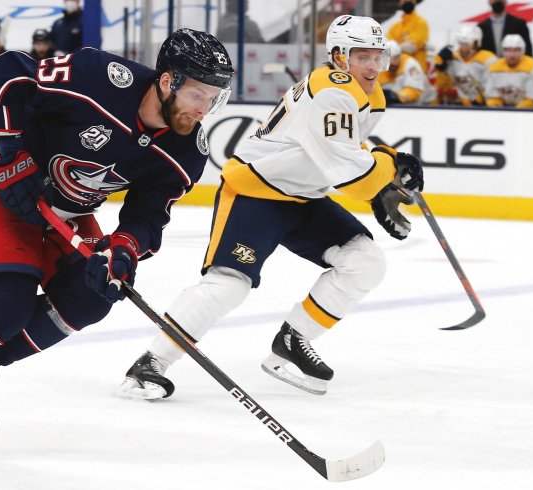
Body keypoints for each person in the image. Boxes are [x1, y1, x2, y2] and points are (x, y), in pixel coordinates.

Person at [0, 28, 233, 463]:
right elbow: (3, 76)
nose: (204, 108)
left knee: (93, 297)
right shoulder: (99, 76)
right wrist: (10, 156)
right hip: (2, 182)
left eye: (214, 99)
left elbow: (148, 216)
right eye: (198, 94)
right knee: (8, 301)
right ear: (168, 81)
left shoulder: (187, 151)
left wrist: (123, 250)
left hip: (68, 211)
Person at [117, 15, 424, 401]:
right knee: (228, 286)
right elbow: (352, 175)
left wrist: (384, 176)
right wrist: (389, 167)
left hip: (302, 196)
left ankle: (293, 342)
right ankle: (150, 363)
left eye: (379, 56)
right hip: (256, 191)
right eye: (362, 55)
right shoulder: (333, 91)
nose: (374, 66)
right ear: (338, 56)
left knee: (365, 261)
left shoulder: (365, 93)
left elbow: (341, 153)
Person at [433, 25, 496, 106]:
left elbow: (493, 85)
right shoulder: (453, 58)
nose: (462, 46)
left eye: (465, 43)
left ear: (475, 43)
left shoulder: (488, 59)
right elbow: (444, 86)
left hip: (484, 105)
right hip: (462, 104)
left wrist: (478, 99)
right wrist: (441, 68)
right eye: (460, 43)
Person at [484, 34, 533, 108]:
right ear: (503, 51)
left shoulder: (532, 67)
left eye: (516, 50)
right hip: (503, 109)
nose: (512, 55)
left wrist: (515, 112)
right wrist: (495, 106)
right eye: (508, 50)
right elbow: (491, 95)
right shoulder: (494, 67)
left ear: (523, 51)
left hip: (527, 110)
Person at [379, 40, 435, 105]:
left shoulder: (411, 65)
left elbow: (415, 90)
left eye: (394, 58)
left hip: (423, 106)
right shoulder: (381, 67)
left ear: (399, 56)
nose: (390, 63)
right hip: (397, 106)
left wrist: (397, 97)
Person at [386, 0, 429, 71]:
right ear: (400, 3)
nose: (407, 3)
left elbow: (412, 47)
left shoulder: (421, 23)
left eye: (409, 1)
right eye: (405, 1)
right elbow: (388, 45)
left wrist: (396, 46)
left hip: (416, 70)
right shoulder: (395, 27)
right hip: (395, 72)